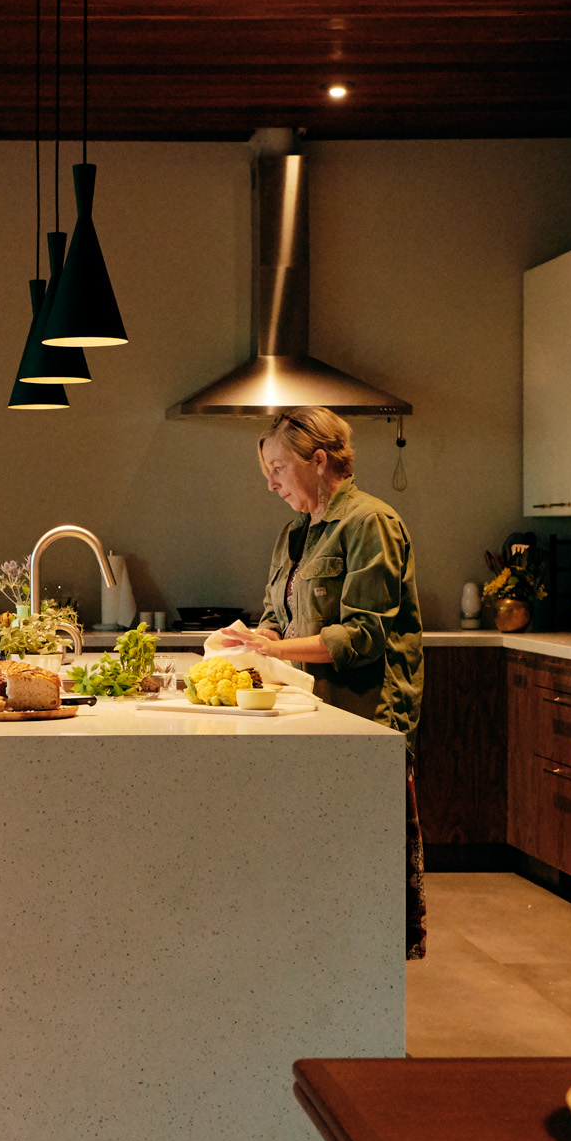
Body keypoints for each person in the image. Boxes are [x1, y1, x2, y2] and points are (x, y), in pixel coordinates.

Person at [223, 406, 429, 955]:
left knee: (363, 890)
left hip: (363, 722)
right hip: (310, 718)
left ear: (318, 460)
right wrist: (248, 640)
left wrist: (274, 647)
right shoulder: (294, 534)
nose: (270, 484)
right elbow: (277, 617)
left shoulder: (370, 523)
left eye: (278, 469)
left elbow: (362, 637)